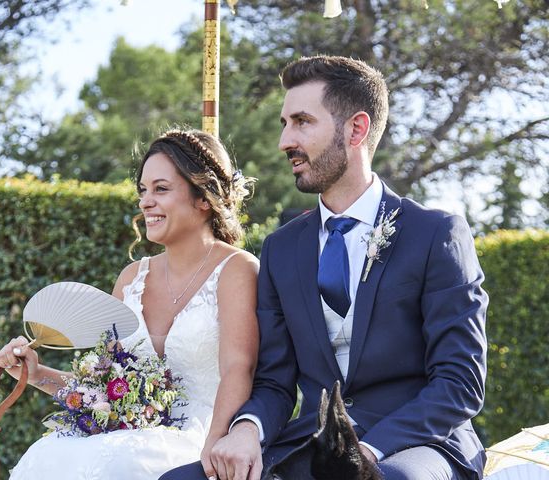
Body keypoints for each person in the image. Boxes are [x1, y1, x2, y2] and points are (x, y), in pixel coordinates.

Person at [161, 56, 488, 480]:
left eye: (301, 122)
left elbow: (459, 382)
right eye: (284, 123)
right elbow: (275, 382)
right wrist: (246, 429)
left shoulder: (436, 234)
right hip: (312, 442)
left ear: (356, 129)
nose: (284, 141)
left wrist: (368, 450)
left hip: (419, 443)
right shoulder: (281, 249)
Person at [0, 129, 260, 480]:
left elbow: (238, 370)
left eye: (161, 189)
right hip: (127, 436)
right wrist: (34, 373)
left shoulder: (237, 269)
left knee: (122, 466)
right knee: (46, 455)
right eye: (143, 190)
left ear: (204, 198)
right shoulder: (132, 278)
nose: (145, 202)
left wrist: (212, 451)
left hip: (204, 437)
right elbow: (106, 389)